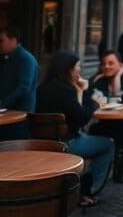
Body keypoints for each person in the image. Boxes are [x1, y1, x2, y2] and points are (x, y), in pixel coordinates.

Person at [36, 50, 115, 207]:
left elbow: (78, 119)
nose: (80, 69)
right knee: (109, 144)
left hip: (42, 145)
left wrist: (79, 92)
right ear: (69, 69)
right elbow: (84, 118)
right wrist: (89, 97)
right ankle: (88, 190)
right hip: (67, 144)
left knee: (90, 137)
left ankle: (79, 183)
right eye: (78, 65)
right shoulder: (65, 91)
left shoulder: (42, 88)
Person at [0, 26, 39, 140]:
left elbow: (23, 89)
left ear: (13, 40)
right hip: (1, 114)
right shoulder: (4, 59)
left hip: (19, 116)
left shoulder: (26, 59)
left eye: (1, 41)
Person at [88, 50, 123, 181]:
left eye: (111, 63)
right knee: (95, 129)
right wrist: (94, 82)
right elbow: (90, 98)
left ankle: (118, 161)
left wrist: (117, 78)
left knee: (120, 125)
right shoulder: (100, 80)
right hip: (105, 122)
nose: (106, 66)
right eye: (104, 64)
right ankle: (116, 162)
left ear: (121, 65)